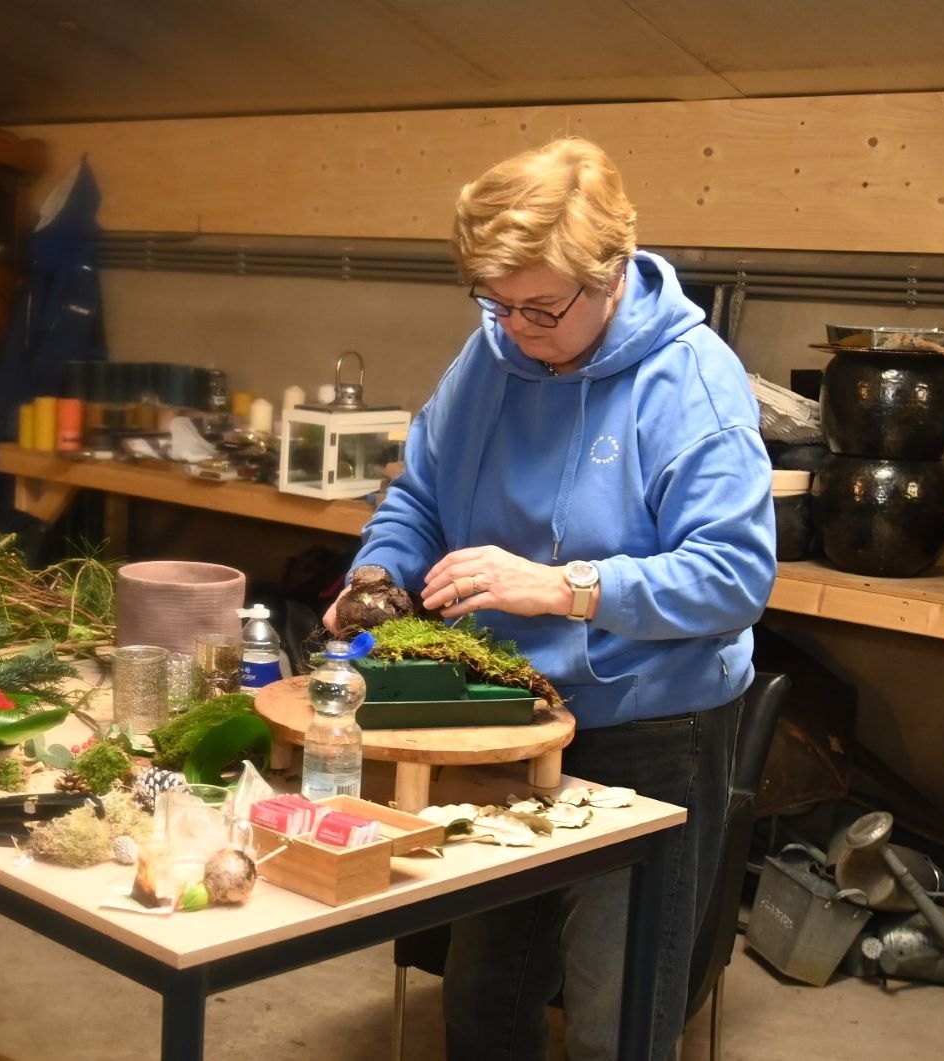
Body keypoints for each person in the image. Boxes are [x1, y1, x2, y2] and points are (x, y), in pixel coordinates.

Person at [327, 138, 776, 1059]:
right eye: (496, 301)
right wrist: (378, 573)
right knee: (485, 993)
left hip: (652, 725)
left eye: (541, 306)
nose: (517, 326)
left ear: (609, 273)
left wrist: (565, 587)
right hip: (509, 718)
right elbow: (418, 493)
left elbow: (735, 575)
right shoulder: (491, 355)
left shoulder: (691, 384)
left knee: (616, 1011)